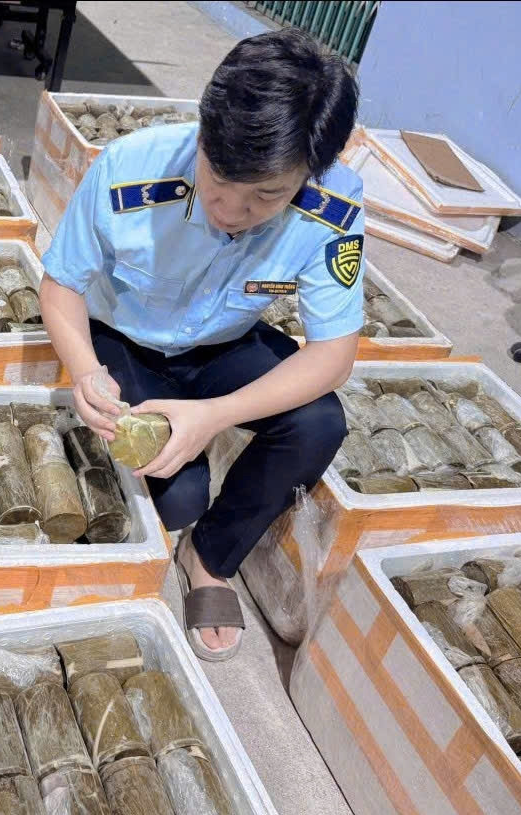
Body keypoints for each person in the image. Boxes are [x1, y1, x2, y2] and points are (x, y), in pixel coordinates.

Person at [39, 28, 363, 661]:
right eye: (218, 178)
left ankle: (210, 557)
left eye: (267, 195)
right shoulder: (129, 169)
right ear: (205, 132)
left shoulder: (334, 205)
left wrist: (214, 416)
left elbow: (333, 355)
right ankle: (184, 510)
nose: (231, 210)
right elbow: (61, 286)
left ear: (310, 173)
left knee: (319, 423)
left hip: (224, 342)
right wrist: (85, 371)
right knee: (178, 493)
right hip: (124, 337)